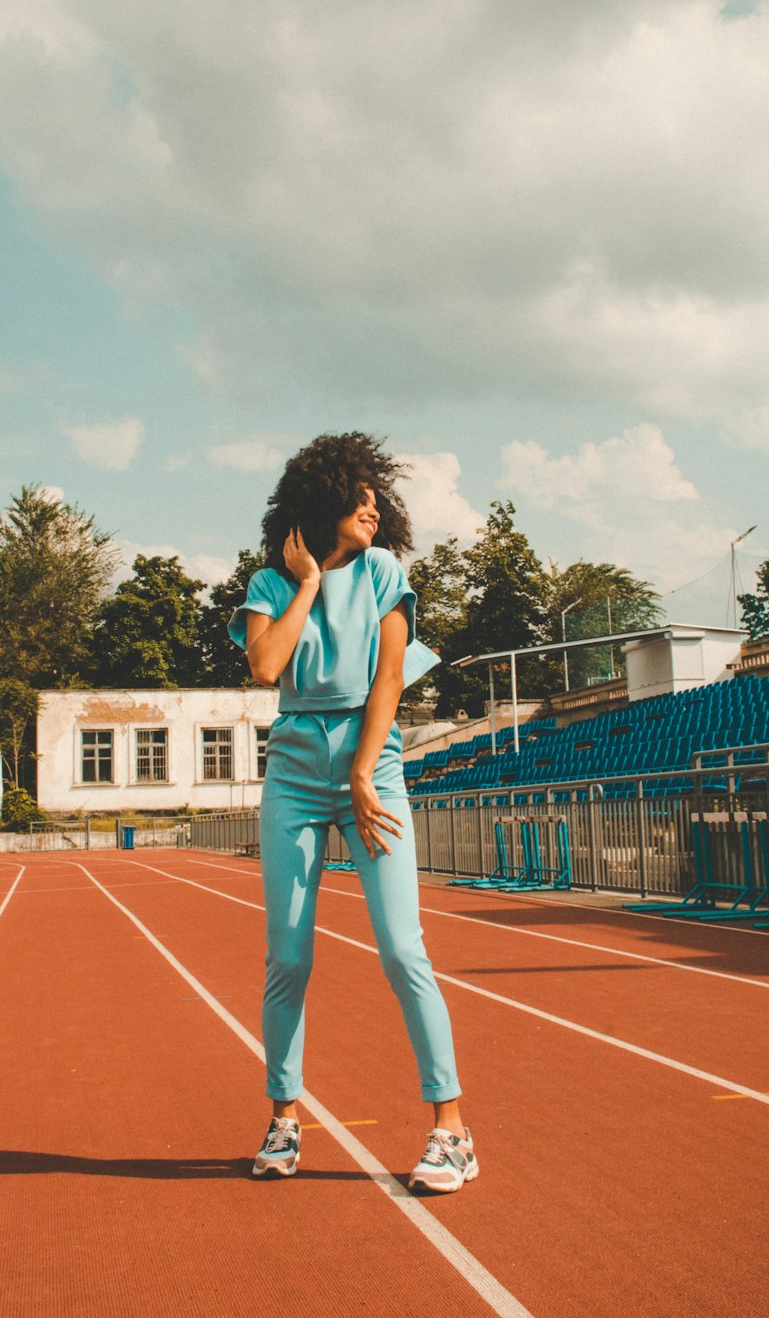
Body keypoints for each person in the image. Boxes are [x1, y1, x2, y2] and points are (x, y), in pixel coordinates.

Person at [228, 432, 477, 1194]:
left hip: (376, 763)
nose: (373, 509)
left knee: (404, 949)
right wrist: (304, 584)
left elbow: (391, 678)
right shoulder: (271, 584)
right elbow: (267, 667)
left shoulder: (384, 574)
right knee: (288, 958)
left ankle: (452, 1131)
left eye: (377, 501)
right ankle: (284, 1120)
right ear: (323, 503)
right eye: (359, 500)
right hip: (296, 771)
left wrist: (366, 771)